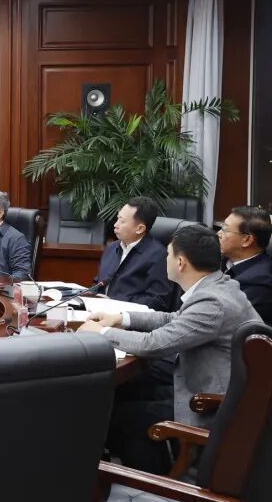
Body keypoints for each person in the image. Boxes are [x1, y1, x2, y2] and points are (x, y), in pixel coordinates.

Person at [79, 225, 261, 472]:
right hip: (212, 390)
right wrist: (121, 318)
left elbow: (154, 344)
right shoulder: (218, 286)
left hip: (211, 406)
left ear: (181, 262)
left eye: (168, 254)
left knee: (122, 418)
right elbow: (174, 319)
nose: (164, 260)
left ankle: (157, 481)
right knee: (123, 391)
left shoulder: (212, 302)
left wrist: (101, 333)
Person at [92, 197, 174, 312]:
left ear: (139, 229)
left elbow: (158, 301)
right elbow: (98, 283)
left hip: (128, 318)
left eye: (122, 221)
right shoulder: (112, 248)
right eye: (117, 218)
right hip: (97, 311)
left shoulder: (158, 256)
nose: (115, 224)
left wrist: (115, 302)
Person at [218, 205, 272, 323]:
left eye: (225, 229)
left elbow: (218, 320)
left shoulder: (259, 283)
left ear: (247, 240)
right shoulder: (219, 259)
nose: (219, 233)